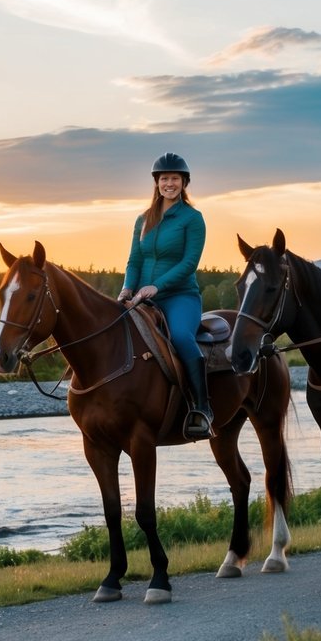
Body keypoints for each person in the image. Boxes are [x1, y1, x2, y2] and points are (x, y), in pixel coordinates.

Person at [118, 152, 212, 439]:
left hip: (180, 296)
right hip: (142, 297)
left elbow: (188, 264)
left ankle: (202, 408)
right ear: (156, 183)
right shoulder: (143, 220)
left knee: (182, 337)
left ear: (184, 183)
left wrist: (157, 287)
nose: (169, 183)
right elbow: (134, 260)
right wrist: (126, 288)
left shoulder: (193, 219)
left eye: (174, 179)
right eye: (164, 179)